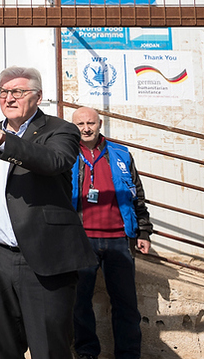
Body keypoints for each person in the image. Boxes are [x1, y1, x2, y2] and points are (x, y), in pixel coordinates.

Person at [0, 66, 95, 359]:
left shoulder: (60, 130)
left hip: (44, 260)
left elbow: (53, 161)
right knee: (5, 348)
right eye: (4, 92)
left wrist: (2, 139)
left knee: (49, 348)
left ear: (38, 97)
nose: (9, 98)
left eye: (18, 92)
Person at [70, 107, 153, 359]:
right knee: (79, 303)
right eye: (81, 123)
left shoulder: (121, 154)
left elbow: (137, 194)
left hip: (119, 239)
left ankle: (128, 355)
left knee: (126, 305)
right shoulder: (66, 154)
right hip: (81, 240)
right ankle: (86, 353)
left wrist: (144, 232)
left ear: (100, 123)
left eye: (91, 123)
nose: (86, 128)